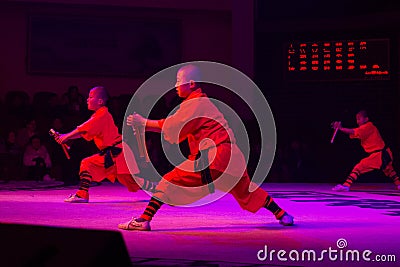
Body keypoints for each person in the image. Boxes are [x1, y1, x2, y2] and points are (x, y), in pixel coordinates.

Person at [118, 64, 294, 231]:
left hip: (215, 157)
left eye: (179, 80)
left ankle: (144, 220)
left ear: (192, 83)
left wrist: (144, 123)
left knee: (168, 180)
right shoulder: (200, 103)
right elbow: (179, 128)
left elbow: (174, 126)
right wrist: (145, 125)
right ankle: (282, 214)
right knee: (246, 190)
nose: (176, 85)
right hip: (232, 158)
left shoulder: (196, 103)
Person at [56, 86, 156, 203]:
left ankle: (82, 194)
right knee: (132, 181)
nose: (87, 99)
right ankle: (160, 191)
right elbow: (84, 132)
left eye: (91, 97)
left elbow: (83, 129)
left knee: (88, 164)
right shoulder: (99, 115)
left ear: (100, 101)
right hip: (116, 153)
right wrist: (65, 136)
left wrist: (66, 136)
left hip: (117, 152)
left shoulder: (102, 114)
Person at [331, 110, 400, 191]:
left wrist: (341, 128)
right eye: (357, 119)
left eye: (359, 119)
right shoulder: (365, 128)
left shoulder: (368, 126)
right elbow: (354, 133)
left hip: (378, 155)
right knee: (389, 170)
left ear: (366, 119)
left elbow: (353, 131)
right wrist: (341, 128)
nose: (357, 121)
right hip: (385, 153)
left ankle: (346, 185)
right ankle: (399, 184)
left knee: (359, 167)